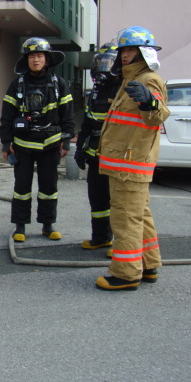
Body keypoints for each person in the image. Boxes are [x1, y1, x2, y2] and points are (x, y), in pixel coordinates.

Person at [95, 26, 170, 291]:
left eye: (131, 50)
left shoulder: (148, 79)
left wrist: (150, 102)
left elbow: (157, 116)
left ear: (144, 52)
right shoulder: (130, 79)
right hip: (125, 162)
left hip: (130, 164)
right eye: (123, 50)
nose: (125, 55)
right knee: (140, 215)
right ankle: (148, 265)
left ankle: (126, 274)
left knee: (125, 217)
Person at [0, 37, 74, 242]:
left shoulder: (59, 84)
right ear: (26, 60)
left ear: (46, 59)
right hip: (22, 146)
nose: (35, 60)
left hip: (50, 145)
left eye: (39, 55)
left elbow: (67, 115)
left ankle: (47, 225)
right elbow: (6, 116)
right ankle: (20, 226)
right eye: (31, 56)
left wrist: (66, 139)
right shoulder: (17, 85)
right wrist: (6, 142)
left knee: (49, 188)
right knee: (22, 188)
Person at [74, 43, 120, 252]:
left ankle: (121, 244)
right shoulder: (95, 92)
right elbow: (86, 124)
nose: (103, 68)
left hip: (115, 157)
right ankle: (100, 237)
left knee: (118, 202)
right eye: (100, 63)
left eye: (108, 63)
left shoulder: (123, 90)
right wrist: (80, 149)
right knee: (97, 200)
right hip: (95, 157)